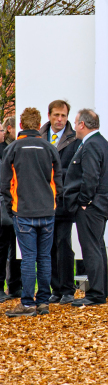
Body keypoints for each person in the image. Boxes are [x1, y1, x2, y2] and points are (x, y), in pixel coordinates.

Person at [0, 108, 62, 317]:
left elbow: (5, 184)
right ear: (38, 125)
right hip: (46, 211)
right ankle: (43, 301)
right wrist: (54, 204)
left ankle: (27, 303)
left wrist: (11, 209)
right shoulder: (49, 148)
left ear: (20, 125)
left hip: (23, 211)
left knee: (28, 258)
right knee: (44, 257)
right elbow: (58, 180)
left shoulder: (13, 148)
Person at [64, 109, 108, 307]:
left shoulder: (91, 144)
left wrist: (84, 201)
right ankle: (100, 291)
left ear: (82, 125)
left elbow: (90, 177)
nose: (74, 126)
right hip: (100, 202)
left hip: (92, 205)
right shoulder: (101, 142)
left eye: (75, 122)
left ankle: (95, 294)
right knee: (97, 245)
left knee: (91, 248)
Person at [40, 100, 80, 305]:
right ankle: (55, 288)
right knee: (49, 247)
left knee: (63, 244)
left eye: (63, 116)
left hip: (63, 202)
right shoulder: (39, 137)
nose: (59, 119)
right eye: (56, 115)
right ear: (49, 115)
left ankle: (67, 289)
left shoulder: (74, 140)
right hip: (43, 202)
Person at [0, 117, 22, 303]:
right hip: (4, 203)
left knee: (15, 247)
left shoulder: (14, 149)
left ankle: (15, 285)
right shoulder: (5, 150)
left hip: (14, 202)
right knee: (3, 246)